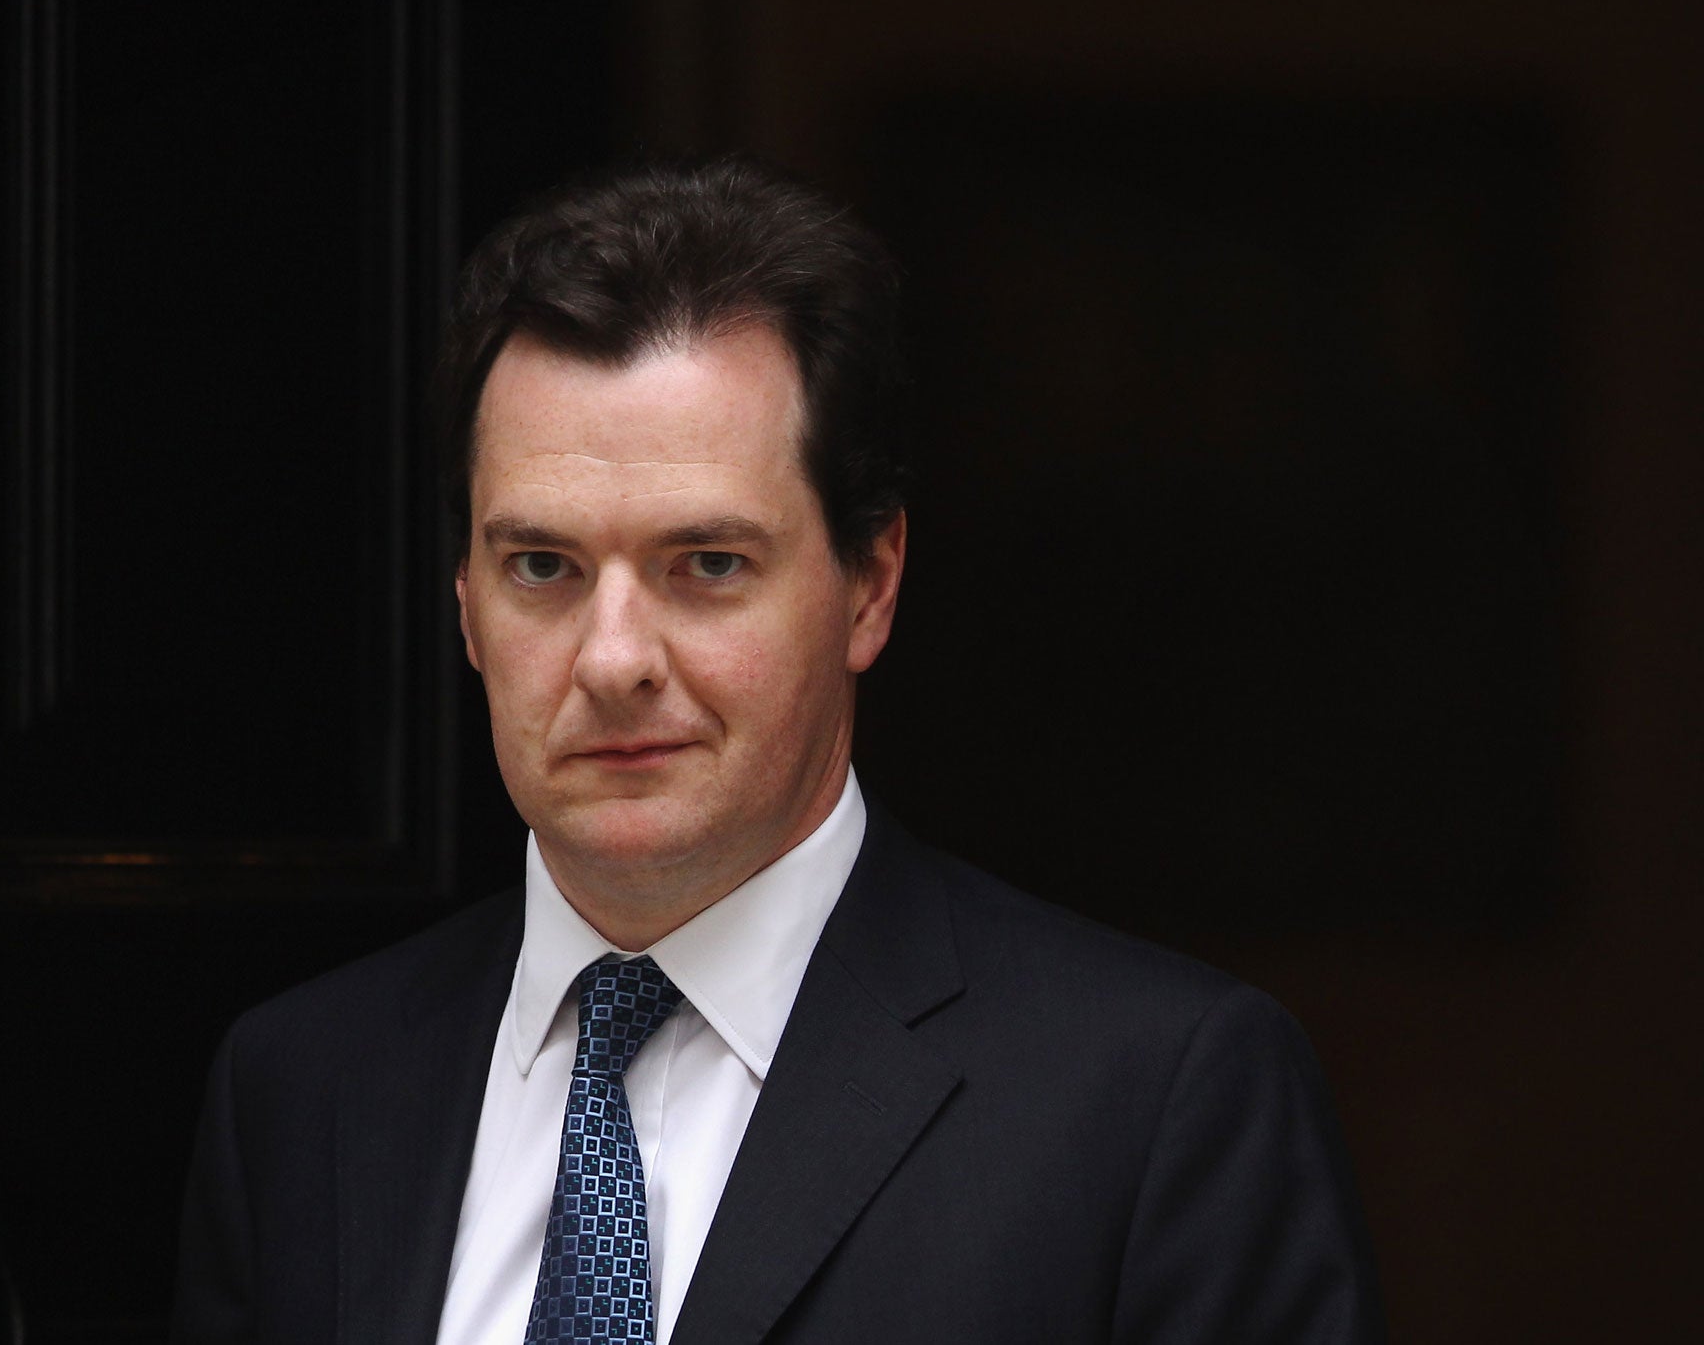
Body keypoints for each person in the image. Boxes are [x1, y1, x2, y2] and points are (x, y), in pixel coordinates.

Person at [171, 155, 1383, 1344]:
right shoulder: (304, 1088)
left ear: (868, 585)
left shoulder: (1151, 1102)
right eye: (541, 566)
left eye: (705, 566)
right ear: (464, 604)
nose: (611, 659)